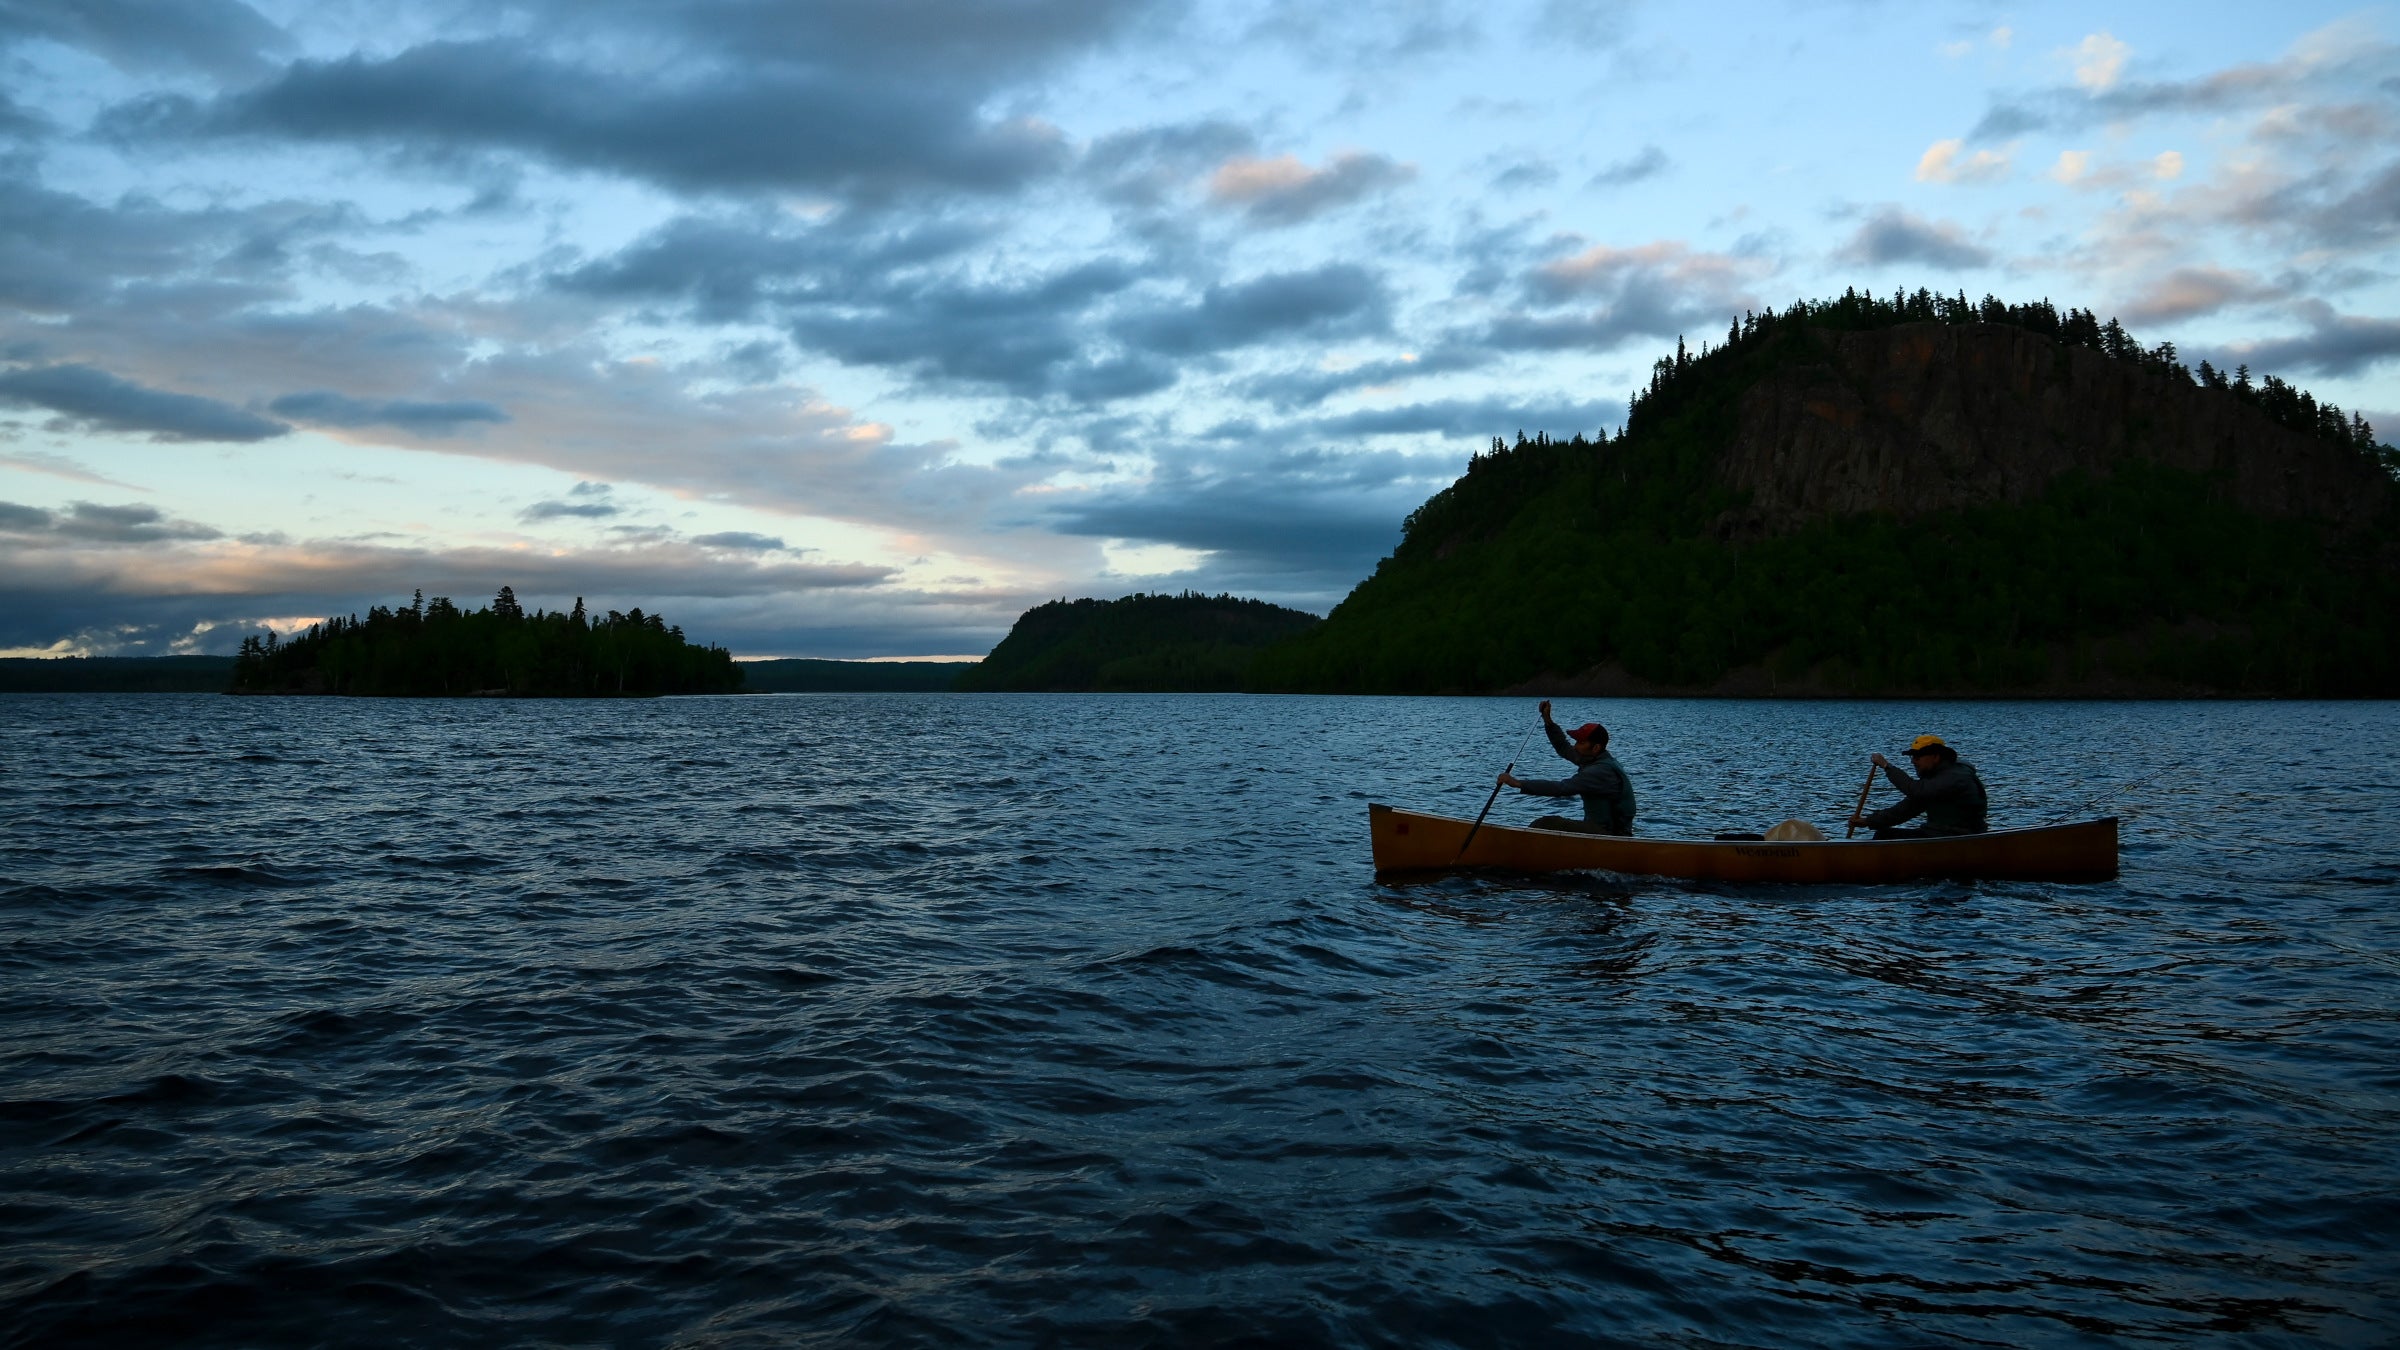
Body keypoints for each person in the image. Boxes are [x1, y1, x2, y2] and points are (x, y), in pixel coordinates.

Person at [1497, 700, 1636, 835]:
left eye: (1581, 742)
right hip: (1600, 829)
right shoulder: (1593, 758)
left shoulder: (1600, 771)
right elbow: (1564, 747)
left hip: (1610, 834)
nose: (1575, 746)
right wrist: (1548, 721)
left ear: (1596, 747)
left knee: (1545, 824)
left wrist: (1518, 783)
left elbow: (1561, 788)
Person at [1849, 734, 1987, 838]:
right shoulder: (1934, 781)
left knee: (1884, 837)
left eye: (1918, 756)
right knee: (1883, 834)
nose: (1913, 761)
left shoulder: (1955, 776)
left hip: (1958, 836)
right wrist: (1868, 821)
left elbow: (1916, 791)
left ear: (1936, 757)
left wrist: (1887, 767)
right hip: (1939, 834)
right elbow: (1905, 810)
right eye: (1912, 757)